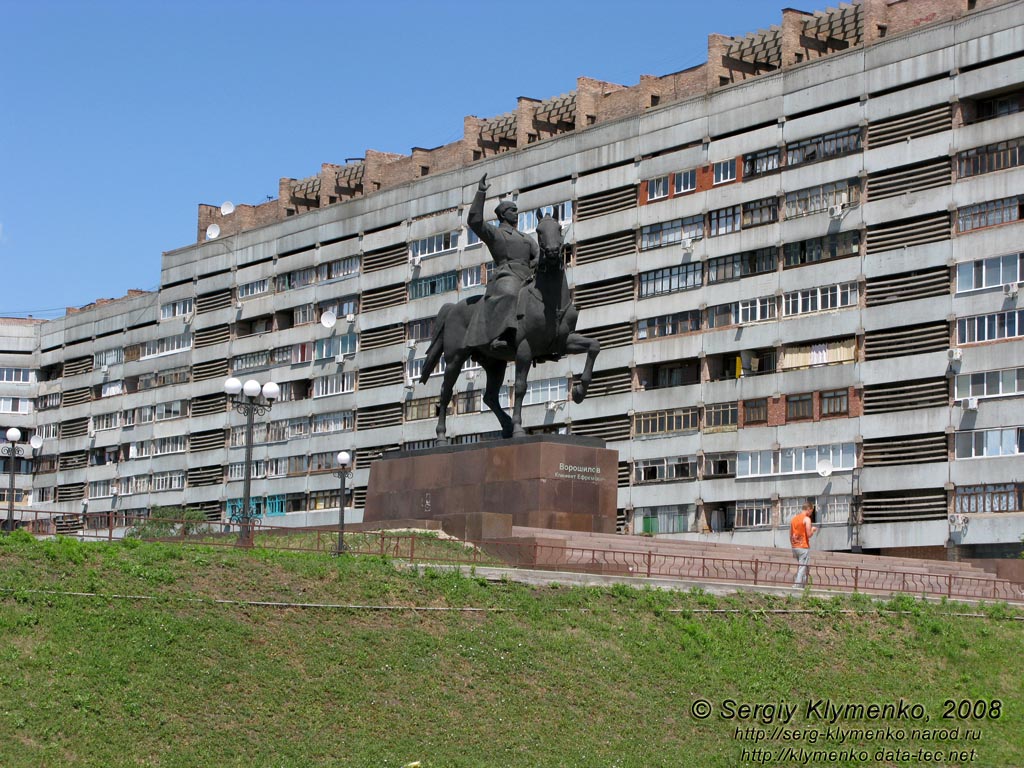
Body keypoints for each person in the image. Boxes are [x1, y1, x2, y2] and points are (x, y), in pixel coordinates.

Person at [464, 173, 539, 352]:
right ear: (503, 214)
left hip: (528, 276)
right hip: (507, 274)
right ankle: (502, 334)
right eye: (512, 211)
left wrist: (539, 260)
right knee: (511, 293)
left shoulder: (526, 237)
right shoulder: (496, 234)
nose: (516, 214)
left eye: (516, 210)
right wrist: (481, 193)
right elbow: (475, 221)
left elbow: (538, 253)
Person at [790, 498, 818, 587]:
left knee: (804, 566)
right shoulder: (807, 519)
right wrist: (813, 530)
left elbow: (790, 534)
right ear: (809, 509)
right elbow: (809, 534)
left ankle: (802, 586)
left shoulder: (794, 519)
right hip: (803, 546)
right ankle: (797, 586)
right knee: (802, 567)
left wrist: (793, 544)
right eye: (811, 511)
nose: (811, 513)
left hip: (795, 546)